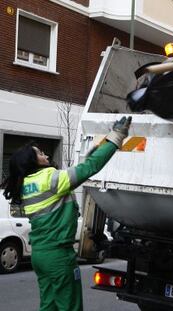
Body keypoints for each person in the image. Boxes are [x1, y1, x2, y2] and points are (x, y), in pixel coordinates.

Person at [2, 116, 132, 311]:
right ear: (33, 161)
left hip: (40, 256)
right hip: (58, 257)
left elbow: (75, 172)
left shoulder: (26, 185)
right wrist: (116, 137)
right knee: (70, 306)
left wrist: (93, 152)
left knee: (49, 306)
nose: (44, 153)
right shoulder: (50, 179)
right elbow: (89, 168)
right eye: (39, 153)